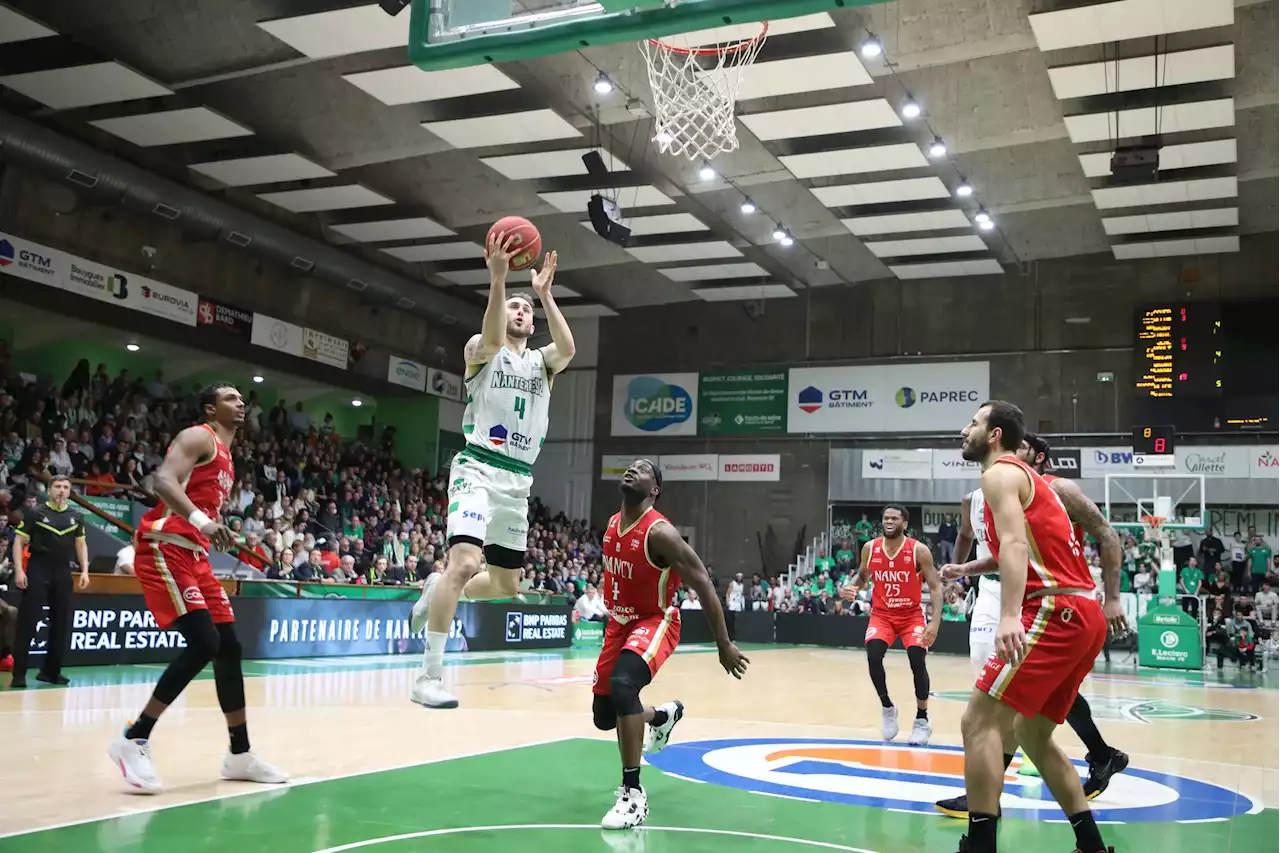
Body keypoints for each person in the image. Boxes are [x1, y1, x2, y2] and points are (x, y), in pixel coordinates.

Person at [409, 232, 572, 709]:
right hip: (478, 468)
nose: (521, 312)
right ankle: (429, 676)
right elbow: (495, 334)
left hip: (518, 482)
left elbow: (568, 348)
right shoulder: (482, 348)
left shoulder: (543, 363)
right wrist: (499, 280)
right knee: (463, 564)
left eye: (528, 310)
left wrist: (545, 293)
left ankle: (437, 589)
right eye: (515, 306)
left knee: (505, 585)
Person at [936, 432, 1130, 818]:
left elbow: (1105, 534)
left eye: (1020, 447)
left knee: (996, 706)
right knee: (1013, 705)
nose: (1011, 452)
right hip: (1018, 592)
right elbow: (1007, 548)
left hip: (1056, 599)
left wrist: (1112, 597)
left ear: (1038, 456)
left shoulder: (1055, 487)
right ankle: (1097, 760)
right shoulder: (993, 490)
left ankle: (984, 807)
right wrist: (966, 569)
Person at [107, 383, 287, 793]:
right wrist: (202, 522)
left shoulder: (227, 456)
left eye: (242, 399)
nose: (240, 403)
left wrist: (208, 531)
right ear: (210, 408)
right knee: (204, 642)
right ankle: (133, 738)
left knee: (229, 647)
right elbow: (162, 481)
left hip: (196, 557)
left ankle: (239, 754)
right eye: (230, 398)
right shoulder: (198, 436)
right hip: (164, 547)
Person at [593, 459, 747, 830]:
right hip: (619, 622)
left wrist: (723, 644)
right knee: (604, 716)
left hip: (655, 619)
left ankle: (633, 795)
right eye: (629, 467)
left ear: (654, 489)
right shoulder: (614, 523)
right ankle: (661, 717)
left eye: (643, 469)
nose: (632, 470)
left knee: (624, 685)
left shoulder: (661, 533)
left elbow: (703, 582)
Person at [840, 504, 943, 745]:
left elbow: (936, 587)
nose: (889, 521)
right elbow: (863, 576)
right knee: (873, 654)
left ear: (904, 523)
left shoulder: (919, 551)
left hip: (911, 615)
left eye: (894, 518)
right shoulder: (870, 548)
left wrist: (935, 623)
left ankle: (922, 718)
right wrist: (853, 587)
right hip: (882, 614)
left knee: (917, 658)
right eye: (886, 518)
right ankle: (887, 707)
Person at [9, 475, 90, 688]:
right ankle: (19, 674)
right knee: (28, 621)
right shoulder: (35, 512)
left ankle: (51, 672)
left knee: (61, 623)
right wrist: (19, 570)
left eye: (65, 487)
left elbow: (81, 545)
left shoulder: (77, 516)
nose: (61, 490)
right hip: (38, 568)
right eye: (57, 486)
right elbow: (18, 541)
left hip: (63, 571)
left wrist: (85, 571)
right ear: (50, 489)